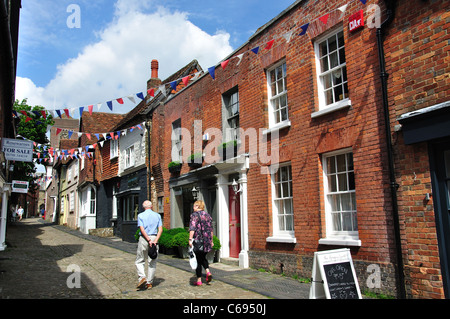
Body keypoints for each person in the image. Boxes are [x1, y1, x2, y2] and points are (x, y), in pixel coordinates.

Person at [135, 200, 163, 290]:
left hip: (144, 238)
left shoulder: (140, 215)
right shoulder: (157, 215)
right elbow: (160, 230)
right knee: (152, 261)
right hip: (154, 238)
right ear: (151, 207)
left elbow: (142, 229)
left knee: (140, 260)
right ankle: (149, 283)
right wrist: (155, 240)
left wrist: (148, 240)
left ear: (144, 207)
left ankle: (142, 277)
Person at [189, 200, 214, 286]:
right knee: (203, 257)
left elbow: (192, 228)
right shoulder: (207, 215)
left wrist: (190, 239)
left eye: (194, 206)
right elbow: (211, 229)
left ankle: (199, 280)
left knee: (198, 260)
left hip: (198, 240)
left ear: (197, 206)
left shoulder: (194, 215)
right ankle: (207, 271)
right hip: (207, 241)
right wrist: (212, 241)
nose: (193, 207)